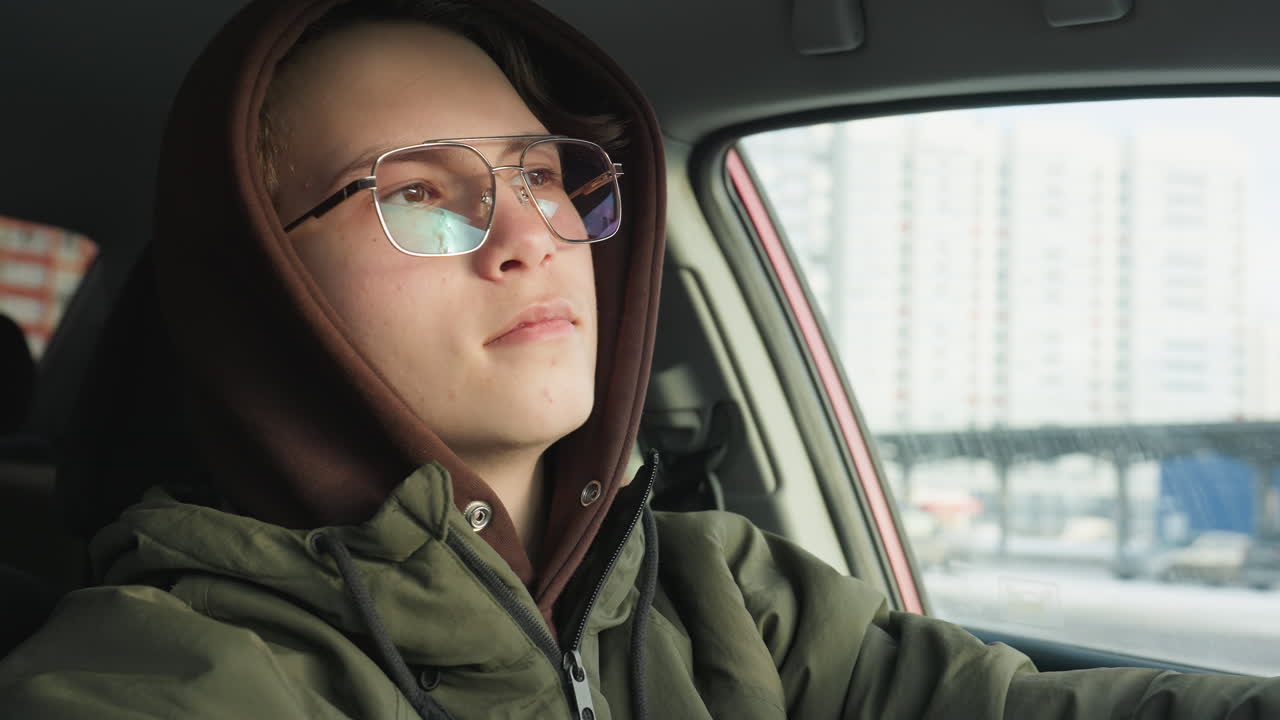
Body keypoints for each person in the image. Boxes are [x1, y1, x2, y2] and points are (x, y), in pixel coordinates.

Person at [1, 0, 1278, 717]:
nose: (529, 235)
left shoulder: (723, 592)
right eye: (421, 195)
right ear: (264, 296)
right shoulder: (166, 678)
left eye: (540, 172)